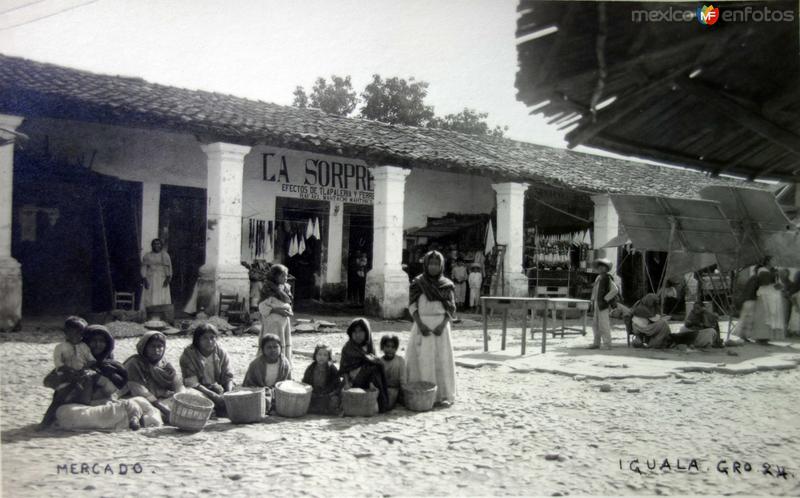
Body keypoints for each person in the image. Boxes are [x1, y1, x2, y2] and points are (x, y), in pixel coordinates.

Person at [51, 325, 161, 432]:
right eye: (93, 341)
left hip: (107, 406)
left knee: (141, 401)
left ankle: (128, 418)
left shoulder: (112, 366)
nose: (98, 345)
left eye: (102, 341)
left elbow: (120, 389)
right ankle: (131, 419)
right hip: (82, 408)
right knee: (64, 412)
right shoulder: (73, 365)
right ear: (84, 342)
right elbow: (58, 392)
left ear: (108, 344)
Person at [406, 250, 457, 407]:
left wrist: (442, 325)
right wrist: (420, 324)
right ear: (425, 265)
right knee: (422, 361)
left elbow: (451, 308)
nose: (433, 267)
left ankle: (443, 395)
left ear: (441, 266)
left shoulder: (447, 285)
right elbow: (412, 306)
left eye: (436, 264)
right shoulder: (418, 283)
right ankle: (420, 394)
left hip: (440, 329)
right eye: (430, 264)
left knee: (442, 361)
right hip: (422, 327)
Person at [124, 330, 183, 420]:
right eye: (152, 347)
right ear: (144, 348)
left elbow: (176, 381)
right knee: (146, 413)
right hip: (141, 399)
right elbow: (139, 390)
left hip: (161, 398)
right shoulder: (134, 364)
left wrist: (180, 399)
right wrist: (163, 408)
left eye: (160, 346)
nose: (156, 350)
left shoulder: (164, 363)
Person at [179, 324, 234, 415]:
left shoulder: (221, 352)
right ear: (197, 340)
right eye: (204, 338)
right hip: (200, 390)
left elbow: (228, 376)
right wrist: (214, 396)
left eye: (212, 338)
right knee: (193, 398)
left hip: (219, 388)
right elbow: (192, 383)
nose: (209, 341)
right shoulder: (188, 355)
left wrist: (228, 395)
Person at [339, 318, 390, 413]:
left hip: (368, 381)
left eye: (361, 331)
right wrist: (346, 384)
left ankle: (377, 396)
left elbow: (372, 363)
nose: (357, 335)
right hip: (352, 381)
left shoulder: (369, 346)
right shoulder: (348, 348)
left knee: (377, 366)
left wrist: (372, 380)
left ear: (367, 332)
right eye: (354, 332)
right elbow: (344, 369)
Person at [243, 334, 293, 411]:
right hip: (259, 393)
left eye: (275, 347)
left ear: (280, 348)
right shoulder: (255, 364)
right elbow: (248, 384)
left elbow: (288, 383)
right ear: (263, 350)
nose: (273, 350)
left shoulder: (285, 364)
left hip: (279, 394)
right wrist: (264, 391)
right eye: (269, 347)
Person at [258, 264, 294, 367]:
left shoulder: (285, 289)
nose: (285, 278)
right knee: (272, 343)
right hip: (272, 324)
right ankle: (267, 366)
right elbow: (262, 306)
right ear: (274, 276)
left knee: (283, 343)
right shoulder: (268, 288)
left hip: (283, 324)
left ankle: (283, 366)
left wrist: (289, 311)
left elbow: (288, 303)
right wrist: (277, 310)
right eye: (282, 276)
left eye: (286, 276)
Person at [301, 343, 342, 415]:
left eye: (325, 355)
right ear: (315, 355)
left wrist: (330, 394)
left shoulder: (332, 369)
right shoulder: (311, 368)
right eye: (319, 354)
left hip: (328, 395)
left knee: (334, 401)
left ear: (329, 357)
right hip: (314, 395)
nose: (322, 357)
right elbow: (304, 383)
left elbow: (338, 385)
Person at [588, 258, 619, 350]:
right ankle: (596, 343)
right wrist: (592, 300)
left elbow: (615, 290)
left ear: (606, 269)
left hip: (603, 304)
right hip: (596, 303)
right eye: (599, 267)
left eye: (603, 267)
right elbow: (595, 291)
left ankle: (607, 344)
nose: (601, 269)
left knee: (604, 324)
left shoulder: (607, 278)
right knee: (595, 324)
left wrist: (606, 298)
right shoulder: (598, 278)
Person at [749, 269, 786, 343]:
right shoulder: (762, 271)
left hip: (772, 294)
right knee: (763, 317)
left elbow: (779, 286)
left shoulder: (774, 272)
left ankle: (766, 337)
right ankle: (761, 337)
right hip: (764, 295)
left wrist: (777, 279)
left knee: (771, 316)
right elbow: (763, 282)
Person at [140, 238, 172, 309]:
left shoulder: (165, 255)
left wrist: (168, 278)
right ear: (152, 245)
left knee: (162, 296)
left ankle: (161, 314)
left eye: (158, 244)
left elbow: (168, 267)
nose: (156, 245)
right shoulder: (147, 256)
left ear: (161, 245)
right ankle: (149, 314)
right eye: (154, 244)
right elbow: (144, 268)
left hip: (162, 278)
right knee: (150, 295)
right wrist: (144, 279)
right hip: (150, 278)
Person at [379, 335, 406, 409]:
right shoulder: (380, 362)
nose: (390, 349)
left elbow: (403, 379)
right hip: (384, 389)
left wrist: (403, 392)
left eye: (393, 347)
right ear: (382, 347)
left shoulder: (400, 361)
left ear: (396, 349)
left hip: (395, 389)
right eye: (387, 346)